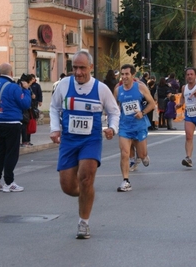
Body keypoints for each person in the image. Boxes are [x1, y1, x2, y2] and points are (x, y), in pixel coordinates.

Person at [49, 50, 120, 239]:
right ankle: (87, 194)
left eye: (82, 68)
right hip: (69, 141)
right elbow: (54, 108)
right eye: (75, 68)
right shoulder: (64, 85)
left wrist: (112, 128)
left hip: (91, 140)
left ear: (91, 67)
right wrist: (55, 129)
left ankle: (84, 223)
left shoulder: (101, 88)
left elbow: (114, 112)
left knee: (86, 178)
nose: (78, 72)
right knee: (68, 187)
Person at [0, 63, 31, 192]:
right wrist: (26, 90)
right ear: (11, 73)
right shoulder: (13, 87)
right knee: (12, 153)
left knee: (1, 153)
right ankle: (9, 183)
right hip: (12, 123)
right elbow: (25, 104)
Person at [114, 64, 155, 192]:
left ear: (133, 75)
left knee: (142, 154)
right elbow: (114, 107)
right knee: (124, 153)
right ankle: (126, 181)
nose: (124, 77)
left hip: (139, 126)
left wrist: (142, 113)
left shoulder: (141, 87)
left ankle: (144, 156)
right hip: (125, 127)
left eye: (127, 74)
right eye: (122, 74)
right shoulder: (118, 90)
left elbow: (152, 103)